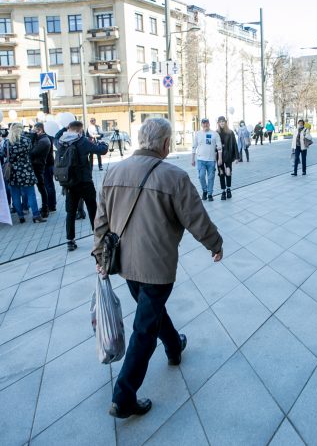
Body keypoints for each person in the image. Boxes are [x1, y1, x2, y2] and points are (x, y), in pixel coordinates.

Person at [92, 118, 223, 419]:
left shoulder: (113, 171)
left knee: (150, 311)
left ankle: (175, 346)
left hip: (125, 263)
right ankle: (123, 397)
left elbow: (101, 222)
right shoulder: (174, 177)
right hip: (157, 266)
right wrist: (215, 243)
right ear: (166, 144)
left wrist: (100, 257)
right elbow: (196, 218)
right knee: (144, 327)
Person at [55, 121, 108, 251]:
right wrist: (103, 142)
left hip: (69, 183)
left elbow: (55, 137)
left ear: (69, 129)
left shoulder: (61, 142)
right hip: (85, 182)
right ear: (80, 130)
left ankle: (70, 241)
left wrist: (64, 128)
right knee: (92, 209)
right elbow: (102, 150)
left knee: (71, 212)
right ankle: (97, 237)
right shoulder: (82, 141)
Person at [3, 123, 46, 223]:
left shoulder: (7, 142)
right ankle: (36, 215)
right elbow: (31, 151)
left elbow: (3, 153)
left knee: (15, 195)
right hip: (26, 170)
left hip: (13, 171)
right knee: (31, 193)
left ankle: (20, 216)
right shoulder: (26, 140)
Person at [191, 118, 222, 202]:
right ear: (201, 125)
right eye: (203, 123)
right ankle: (204, 190)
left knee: (211, 177)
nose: (205, 125)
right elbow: (194, 147)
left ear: (209, 124)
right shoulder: (198, 134)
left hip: (211, 160)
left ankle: (210, 194)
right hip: (200, 160)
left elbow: (219, 147)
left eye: (207, 123)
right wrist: (192, 159)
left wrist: (220, 158)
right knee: (201, 176)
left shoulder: (215, 134)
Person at [30, 123, 51, 218]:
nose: (34, 132)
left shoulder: (43, 141)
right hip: (38, 165)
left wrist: (32, 139)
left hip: (38, 166)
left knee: (42, 188)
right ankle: (45, 207)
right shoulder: (42, 139)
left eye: (36, 130)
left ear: (41, 130)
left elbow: (32, 152)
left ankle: (45, 209)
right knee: (42, 188)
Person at [216, 116, 239, 200]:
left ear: (225, 122)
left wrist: (237, 157)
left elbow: (234, 144)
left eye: (223, 121)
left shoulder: (230, 132)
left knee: (228, 172)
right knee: (221, 173)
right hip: (219, 157)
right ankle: (223, 191)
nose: (222, 123)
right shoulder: (216, 133)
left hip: (228, 155)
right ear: (218, 123)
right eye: (220, 121)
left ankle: (228, 189)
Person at [43, 131, 57, 213]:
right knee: (50, 185)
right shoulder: (50, 138)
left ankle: (50, 205)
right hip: (50, 163)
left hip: (46, 165)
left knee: (48, 185)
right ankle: (53, 204)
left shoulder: (45, 139)